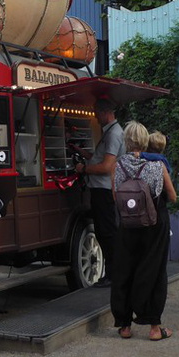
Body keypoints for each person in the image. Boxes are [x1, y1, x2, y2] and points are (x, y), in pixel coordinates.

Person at [110, 121, 177, 341]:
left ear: (126, 141)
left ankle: (125, 326)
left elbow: (114, 196)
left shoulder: (118, 166)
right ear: (145, 140)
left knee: (125, 270)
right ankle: (155, 328)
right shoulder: (157, 165)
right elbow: (173, 196)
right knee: (154, 272)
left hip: (128, 225)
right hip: (154, 225)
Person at [73, 97, 123, 287]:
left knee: (107, 233)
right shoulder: (112, 132)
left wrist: (83, 169)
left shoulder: (112, 134)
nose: (95, 116)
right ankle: (113, 272)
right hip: (103, 188)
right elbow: (100, 159)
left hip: (104, 189)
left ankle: (112, 274)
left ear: (104, 113)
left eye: (96, 112)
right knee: (106, 232)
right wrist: (85, 154)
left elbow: (106, 166)